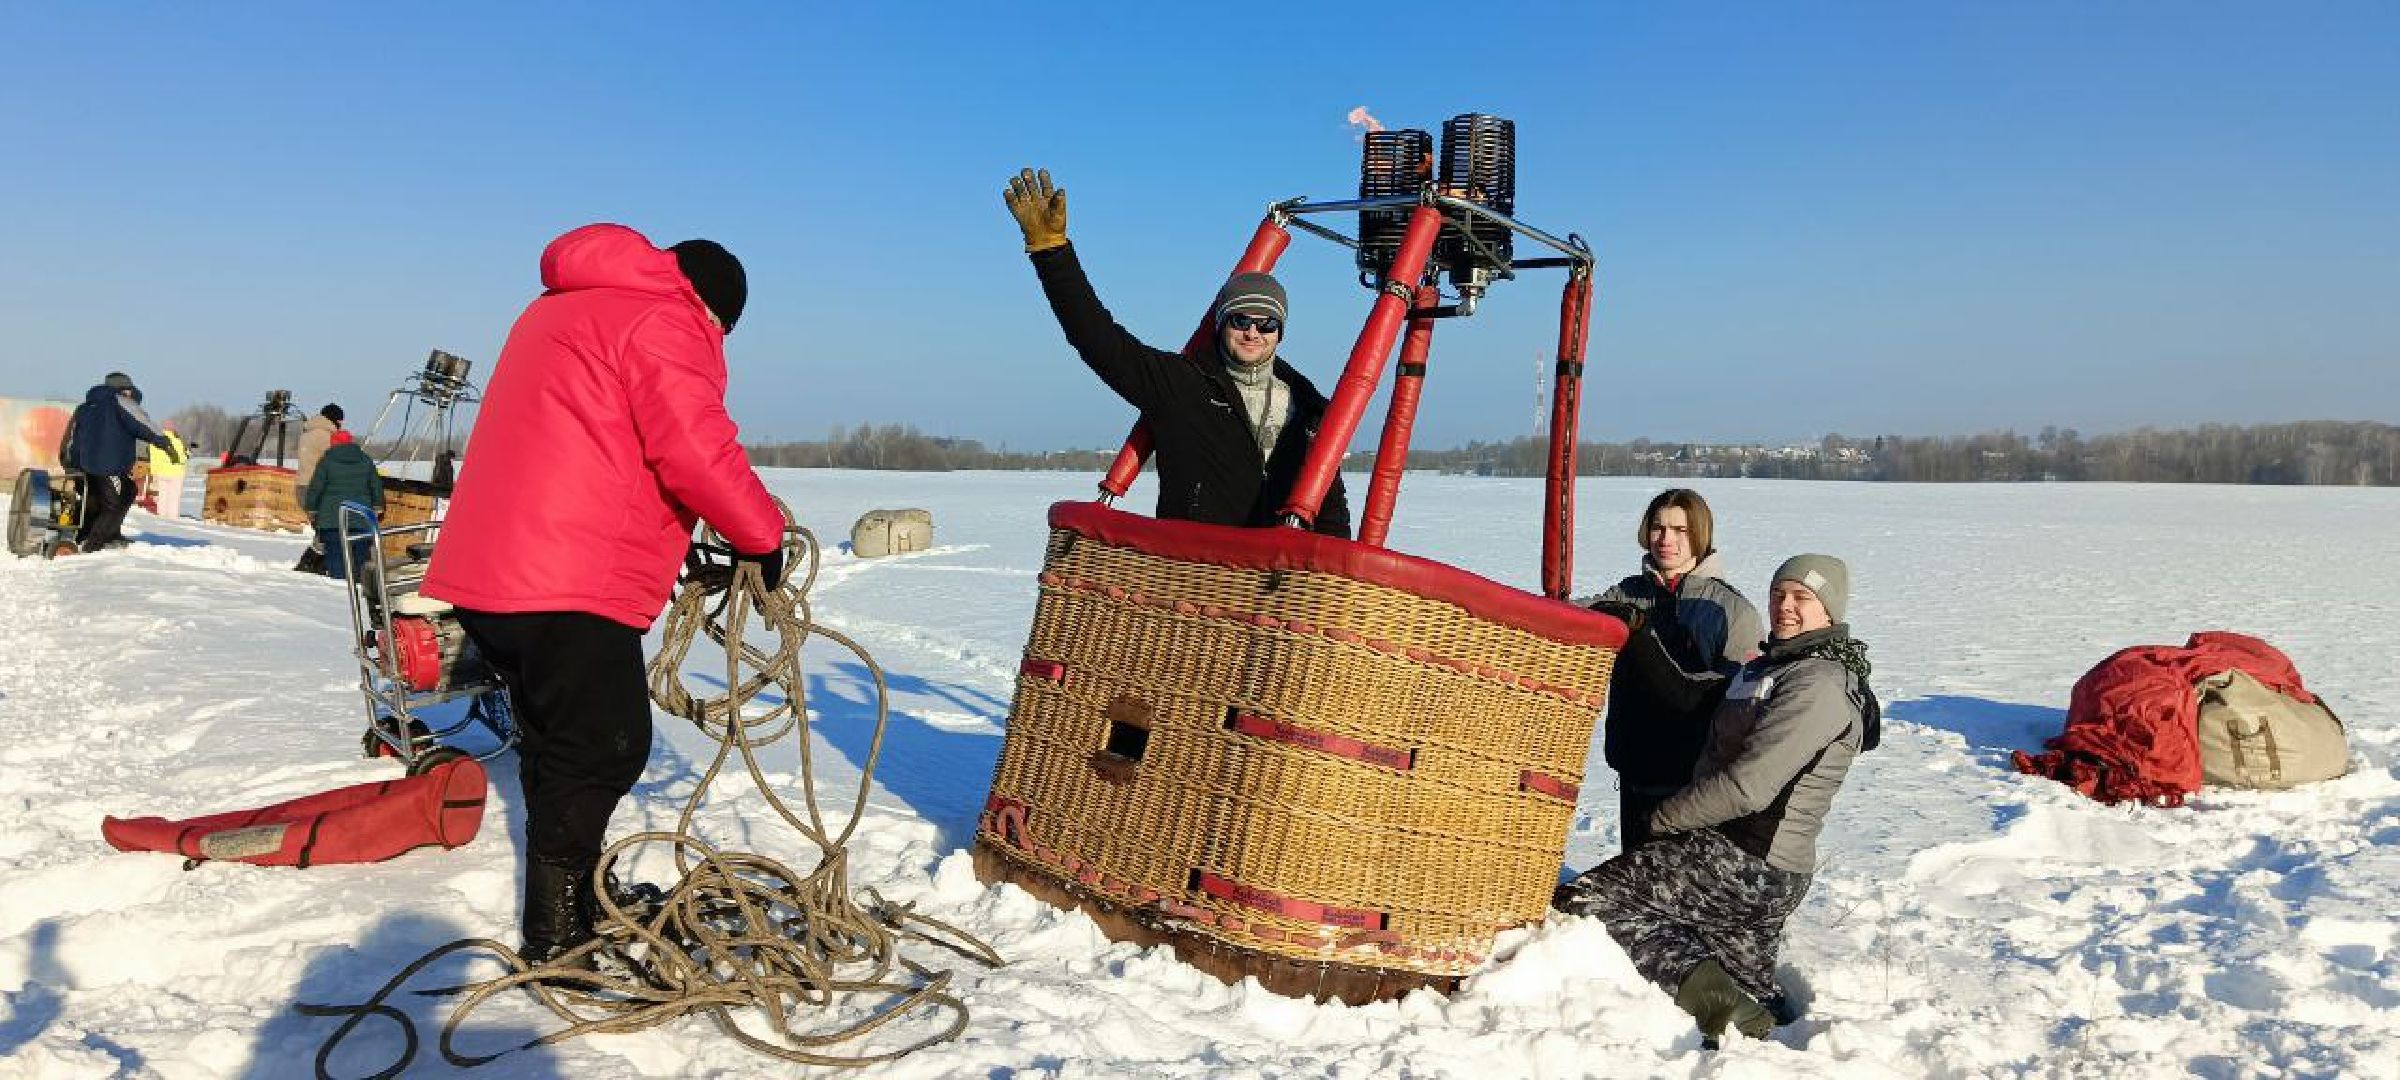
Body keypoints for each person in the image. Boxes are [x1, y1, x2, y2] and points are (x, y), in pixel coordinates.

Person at [422, 223, 785, 964]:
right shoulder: (665, 319)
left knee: (557, 743)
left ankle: (576, 896)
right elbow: (691, 443)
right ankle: (559, 936)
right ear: (715, 310)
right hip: (566, 575)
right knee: (606, 747)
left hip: (497, 573)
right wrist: (761, 535)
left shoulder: (560, 307)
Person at [1558, 555, 1877, 1046]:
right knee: (1742, 978)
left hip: (1744, 862)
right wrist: (1638, 635)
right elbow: (1692, 694)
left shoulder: (1819, 684)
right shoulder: (1777, 666)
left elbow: (1750, 785)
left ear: (1830, 611)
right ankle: (1755, 1019)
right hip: (1767, 867)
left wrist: (1665, 818)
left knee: (1588, 901)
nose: (1784, 607)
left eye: (1802, 598)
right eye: (1779, 594)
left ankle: (1726, 1014)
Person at [1004, 167, 1350, 536]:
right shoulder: (1179, 385)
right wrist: (1051, 254)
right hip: (1193, 572)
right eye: (1240, 320)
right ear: (1221, 324)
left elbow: (1331, 513)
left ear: (1280, 332)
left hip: (1274, 583)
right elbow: (1098, 339)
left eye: (1266, 324)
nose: (1253, 332)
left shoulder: (1309, 407)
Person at [1581, 490, 1762, 852]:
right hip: (1635, 767)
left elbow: (1739, 703)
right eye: (1658, 528)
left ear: (1700, 534)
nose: (1666, 540)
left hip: (1693, 780)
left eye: (1680, 530)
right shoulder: (1627, 595)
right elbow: (1575, 621)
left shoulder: (1730, 610)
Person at [63, 372, 179, 552]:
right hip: (107, 466)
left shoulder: (84, 408)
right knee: (113, 503)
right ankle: (92, 545)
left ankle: (93, 535)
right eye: (127, 390)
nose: (130, 394)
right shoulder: (120, 402)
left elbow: (70, 437)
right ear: (120, 389)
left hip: (82, 466)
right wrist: (164, 443)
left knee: (109, 496)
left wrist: (67, 460)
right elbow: (143, 423)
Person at [300, 429, 384, 580]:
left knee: (335, 558)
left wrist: (311, 509)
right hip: (361, 518)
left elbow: (316, 487)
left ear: (333, 443)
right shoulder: (365, 460)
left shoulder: (326, 461)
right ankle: (357, 587)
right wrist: (378, 506)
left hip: (332, 518)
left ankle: (338, 588)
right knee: (360, 559)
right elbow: (376, 486)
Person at [293, 404, 344, 573]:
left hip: (301, 487)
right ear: (334, 419)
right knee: (328, 529)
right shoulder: (327, 437)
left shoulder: (306, 434)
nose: (341, 424)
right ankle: (309, 563)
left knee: (323, 529)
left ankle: (320, 564)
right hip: (318, 490)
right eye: (340, 420)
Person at [144, 423, 190, 519]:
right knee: (174, 496)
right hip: (175, 473)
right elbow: (181, 458)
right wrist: (188, 453)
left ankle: (162, 516)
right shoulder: (176, 441)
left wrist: (154, 471)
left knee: (162, 496)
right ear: (173, 429)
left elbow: (151, 457)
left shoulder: (154, 441)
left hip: (160, 473)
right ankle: (173, 517)